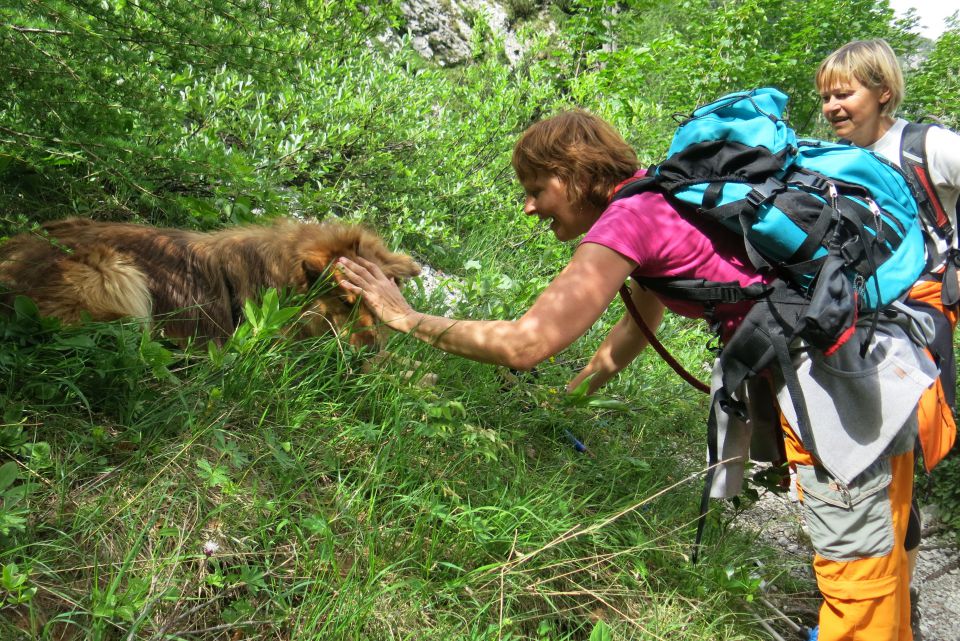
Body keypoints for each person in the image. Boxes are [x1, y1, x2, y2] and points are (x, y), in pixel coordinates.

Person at [337, 108, 932, 641]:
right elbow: (632, 336)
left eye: (535, 189)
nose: (529, 207)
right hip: (873, 363)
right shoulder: (663, 200)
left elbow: (526, 343)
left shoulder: (628, 221)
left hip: (836, 390)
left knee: (856, 571)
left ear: (570, 176)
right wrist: (565, 403)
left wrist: (404, 317)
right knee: (883, 553)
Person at [816, 38, 960, 617]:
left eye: (844, 93)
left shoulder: (928, 146)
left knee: (909, 441)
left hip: (923, 310)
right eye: (825, 97)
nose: (832, 107)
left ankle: (897, 594)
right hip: (867, 319)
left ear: (883, 91)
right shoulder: (834, 163)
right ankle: (897, 592)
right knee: (881, 451)